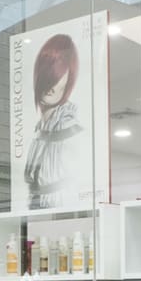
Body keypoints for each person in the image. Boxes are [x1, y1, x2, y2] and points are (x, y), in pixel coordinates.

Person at [24, 33, 84, 209]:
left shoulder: (67, 126)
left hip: (54, 210)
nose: (52, 86)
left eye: (58, 77)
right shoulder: (39, 130)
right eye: (49, 76)